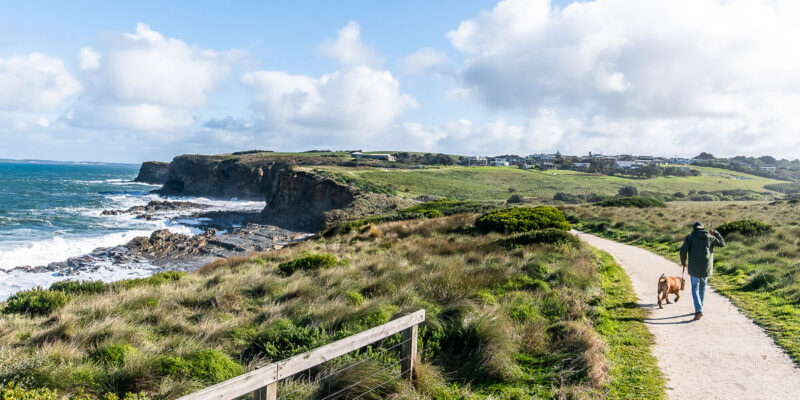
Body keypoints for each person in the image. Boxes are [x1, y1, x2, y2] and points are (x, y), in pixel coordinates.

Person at [680, 221, 725, 321]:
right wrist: (716, 233)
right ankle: (700, 307)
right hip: (706, 268)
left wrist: (683, 262)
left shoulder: (690, 237)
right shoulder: (710, 237)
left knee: (694, 289)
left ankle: (699, 309)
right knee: (702, 287)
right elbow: (722, 244)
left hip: (694, 268)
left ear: (694, 228)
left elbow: (683, 250)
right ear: (703, 228)